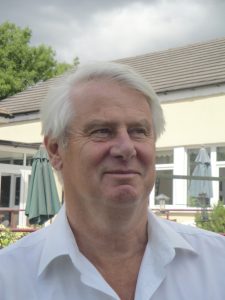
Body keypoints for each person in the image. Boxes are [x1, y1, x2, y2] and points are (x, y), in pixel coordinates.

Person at [0, 62, 225, 300]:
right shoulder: (9, 279)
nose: (126, 148)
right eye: (102, 131)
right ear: (55, 150)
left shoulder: (216, 264)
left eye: (139, 131)